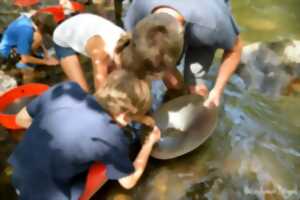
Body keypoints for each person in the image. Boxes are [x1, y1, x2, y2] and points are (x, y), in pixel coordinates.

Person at [8, 70, 160, 200]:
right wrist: (149, 143)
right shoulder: (110, 135)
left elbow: (20, 119)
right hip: (48, 195)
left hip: (19, 174)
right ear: (125, 116)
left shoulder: (66, 88)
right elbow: (128, 182)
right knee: (107, 165)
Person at [124, 0, 243, 108]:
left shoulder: (213, 25)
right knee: (174, 84)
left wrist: (217, 91)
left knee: (195, 88)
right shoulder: (138, 10)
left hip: (205, 19)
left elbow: (235, 49)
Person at [53, 12, 183, 92]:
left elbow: (169, 72)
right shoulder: (101, 54)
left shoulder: (136, 44)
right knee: (83, 92)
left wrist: (182, 93)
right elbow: (102, 97)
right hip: (63, 36)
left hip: (87, 24)